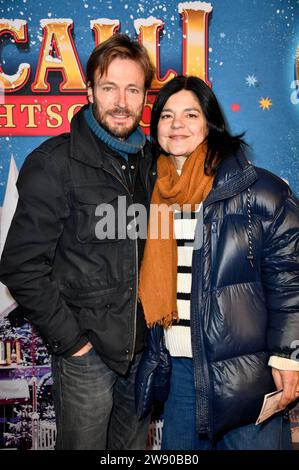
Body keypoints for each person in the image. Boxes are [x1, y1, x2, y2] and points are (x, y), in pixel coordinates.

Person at [0, 34, 156, 450]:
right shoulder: (52, 163)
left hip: (141, 354)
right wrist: (74, 344)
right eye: (109, 88)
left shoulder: (152, 163)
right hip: (87, 357)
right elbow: (20, 266)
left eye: (132, 89)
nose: (121, 101)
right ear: (89, 91)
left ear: (145, 97)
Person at [138, 75, 299, 450]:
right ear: (155, 126)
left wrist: (289, 356)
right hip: (180, 374)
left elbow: (291, 277)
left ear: (211, 124)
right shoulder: (149, 193)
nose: (177, 124)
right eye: (166, 116)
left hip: (248, 375)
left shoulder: (262, 190)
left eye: (190, 114)